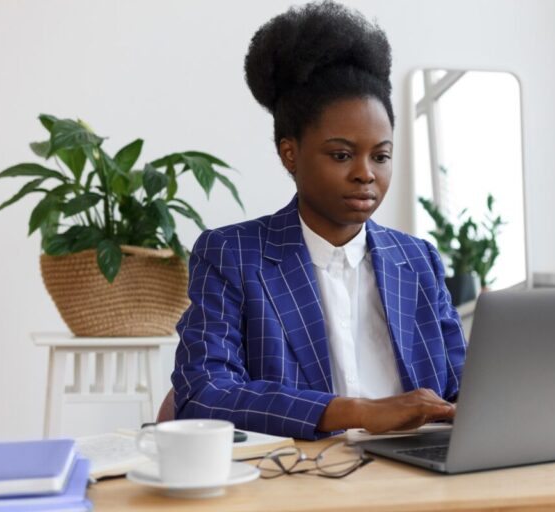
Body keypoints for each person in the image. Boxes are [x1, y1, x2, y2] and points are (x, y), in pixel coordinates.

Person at [172, 0, 467, 440]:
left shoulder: (418, 260)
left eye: (381, 155)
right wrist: (358, 412)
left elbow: (466, 391)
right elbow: (203, 394)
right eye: (342, 154)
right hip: (299, 479)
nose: (366, 173)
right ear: (290, 153)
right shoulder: (232, 255)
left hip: (415, 476)